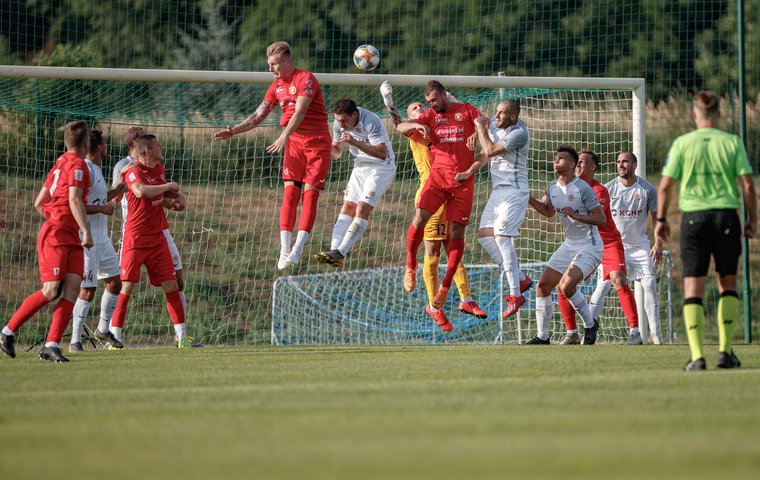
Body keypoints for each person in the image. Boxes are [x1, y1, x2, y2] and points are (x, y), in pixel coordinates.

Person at [656, 91, 756, 371]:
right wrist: (752, 219)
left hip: (694, 219)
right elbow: (748, 186)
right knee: (728, 282)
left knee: (693, 286)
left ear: (694, 114)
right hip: (726, 216)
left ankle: (698, 357)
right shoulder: (732, 142)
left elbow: (664, 186)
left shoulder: (682, 143)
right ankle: (725, 352)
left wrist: (661, 220)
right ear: (719, 114)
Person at [214, 41, 331, 271]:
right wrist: (234, 130)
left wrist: (283, 135)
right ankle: (284, 249)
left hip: (317, 143)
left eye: (274, 63)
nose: (271, 69)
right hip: (295, 142)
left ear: (288, 61)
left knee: (310, 194)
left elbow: (300, 111)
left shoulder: (306, 78)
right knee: (290, 193)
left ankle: (298, 248)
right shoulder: (275, 86)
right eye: (269, 64)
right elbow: (258, 115)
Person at [380, 81, 486, 319]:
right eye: (416, 107)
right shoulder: (419, 130)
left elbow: (460, 116)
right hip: (433, 187)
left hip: (456, 186)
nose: (420, 108)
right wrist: (389, 103)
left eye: (422, 105)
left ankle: (463, 298)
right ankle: (434, 304)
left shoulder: (443, 119)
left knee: (455, 244)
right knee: (434, 250)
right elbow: (398, 123)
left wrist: (473, 131)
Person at [1, 121, 93, 362]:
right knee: (51, 290)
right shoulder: (77, 165)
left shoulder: (60, 163)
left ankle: (51, 344)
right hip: (57, 236)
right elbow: (74, 200)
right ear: (86, 143)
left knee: (73, 287)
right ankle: (7, 331)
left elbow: (40, 202)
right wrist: (85, 231)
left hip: (67, 235)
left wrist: (62, 221)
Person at [110, 134, 192, 348]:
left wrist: (177, 200)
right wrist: (168, 188)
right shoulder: (132, 171)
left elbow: (160, 198)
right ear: (146, 151)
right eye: (157, 145)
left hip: (157, 239)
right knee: (126, 286)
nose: (161, 147)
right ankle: (114, 337)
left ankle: (182, 338)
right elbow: (141, 192)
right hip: (135, 238)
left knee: (171, 284)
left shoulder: (159, 170)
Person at [456, 99, 534, 319]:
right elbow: (484, 154)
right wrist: (470, 171)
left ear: (513, 117)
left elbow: (489, 149)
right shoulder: (494, 126)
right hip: (498, 191)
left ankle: (516, 294)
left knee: (501, 238)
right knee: (483, 236)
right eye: (496, 111)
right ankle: (520, 277)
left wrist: (479, 127)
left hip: (515, 191)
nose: (496, 116)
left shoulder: (519, 133)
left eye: (502, 113)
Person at [555, 150, 641, 345]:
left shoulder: (599, 190)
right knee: (562, 285)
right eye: (576, 162)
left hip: (607, 242)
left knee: (618, 278)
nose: (577, 166)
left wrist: (573, 213)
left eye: (582, 163)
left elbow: (597, 219)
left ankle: (635, 332)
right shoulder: (566, 188)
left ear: (592, 167)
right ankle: (572, 333)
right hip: (584, 243)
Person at [527, 145, 605, 345]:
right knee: (543, 285)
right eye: (555, 158)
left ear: (571, 164)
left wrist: (577, 215)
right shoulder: (552, 187)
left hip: (590, 245)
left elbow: (601, 219)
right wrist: (528, 199)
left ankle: (590, 324)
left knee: (566, 285)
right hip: (569, 244)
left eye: (560, 159)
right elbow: (548, 211)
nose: (556, 162)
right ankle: (543, 337)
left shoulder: (583, 189)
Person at [591, 151, 663, 344]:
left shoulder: (648, 190)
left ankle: (655, 334)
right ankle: (588, 333)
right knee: (603, 286)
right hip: (614, 246)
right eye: (618, 162)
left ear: (634, 164)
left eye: (625, 161)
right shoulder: (608, 189)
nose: (621, 165)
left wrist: (658, 243)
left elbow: (657, 220)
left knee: (649, 284)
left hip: (639, 246)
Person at [313, 98, 396, 266]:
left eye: (344, 120)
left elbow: (382, 153)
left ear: (355, 115)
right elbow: (336, 154)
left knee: (362, 207)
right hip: (360, 167)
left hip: (381, 168)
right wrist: (323, 143)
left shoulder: (370, 121)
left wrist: (354, 141)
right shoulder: (338, 124)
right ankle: (334, 252)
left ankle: (341, 252)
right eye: (338, 121)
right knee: (348, 206)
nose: (341, 125)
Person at [69, 129, 125, 352]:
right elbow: (77, 204)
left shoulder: (97, 170)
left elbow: (99, 198)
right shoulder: (85, 169)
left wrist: (117, 191)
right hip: (87, 240)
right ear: (100, 147)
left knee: (115, 282)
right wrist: (102, 208)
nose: (107, 145)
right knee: (88, 289)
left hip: (103, 240)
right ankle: (75, 340)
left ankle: (102, 329)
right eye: (105, 143)